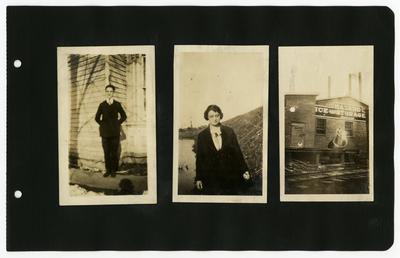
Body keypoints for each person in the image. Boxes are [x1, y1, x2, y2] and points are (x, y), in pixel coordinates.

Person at [195, 104, 251, 195]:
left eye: (217, 115)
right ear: (207, 118)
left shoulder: (229, 132)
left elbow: (237, 153)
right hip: (211, 177)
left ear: (220, 116)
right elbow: (200, 159)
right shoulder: (202, 136)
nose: (215, 119)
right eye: (211, 116)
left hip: (229, 176)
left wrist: (244, 170)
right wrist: (198, 178)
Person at [95, 84, 127, 177]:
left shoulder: (117, 104)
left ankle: (113, 171)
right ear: (105, 92)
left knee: (114, 152)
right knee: (106, 152)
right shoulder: (102, 105)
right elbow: (97, 118)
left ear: (113, 93)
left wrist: (117, 123)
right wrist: (103, 125)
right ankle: (108, 170)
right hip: (105, 133)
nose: (109, 93)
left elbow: (124, 116)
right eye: (107, 91)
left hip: (114, 132)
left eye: (111, 91)